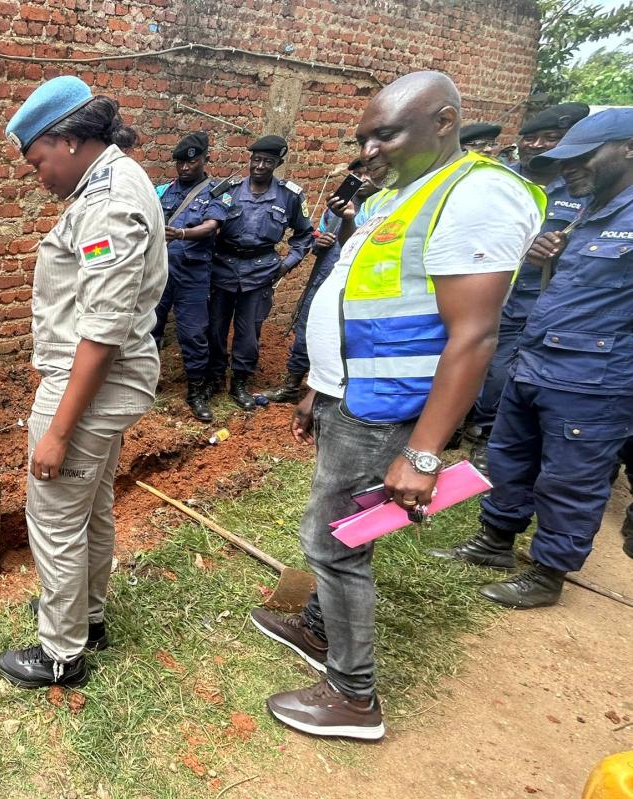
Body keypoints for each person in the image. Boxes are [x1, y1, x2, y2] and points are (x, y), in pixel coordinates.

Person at [247, 72, 542, 740]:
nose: (370, 149)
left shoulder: (476, 195)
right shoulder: (401, 197)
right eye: (364, 137)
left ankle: (353, 697)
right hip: (353, 396)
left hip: (389, 410)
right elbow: (360, 297)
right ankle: (321, 629)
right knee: (340, 530)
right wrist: (319, 386)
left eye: (386, 133)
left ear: (444, 121)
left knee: (334, 542)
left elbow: (474, 335)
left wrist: (422, 451)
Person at [0, 76, 166, 688]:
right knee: (90, 508)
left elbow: (102, 329)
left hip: (85, 384)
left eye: (38, 160)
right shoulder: (120, 180)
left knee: (56, 518)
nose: (37, 174)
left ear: (67, 140)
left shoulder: (105, 206)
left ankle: (60, 652)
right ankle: (87, 618)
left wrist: (58, 432)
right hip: (104, 383)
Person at [435, 109, 633, 608]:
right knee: (508, 458)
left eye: (583, 157)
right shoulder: (591, 209)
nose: (568, 169)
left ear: (628, 149)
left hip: (594, 380)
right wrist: (549, 255)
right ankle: (494, 542)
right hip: (536, 360)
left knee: (571, 478)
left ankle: (548, 573)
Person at [462, 103, 590, 472]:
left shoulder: (581, 188)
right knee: (472, 357)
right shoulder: (501, 179)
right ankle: (465, 420)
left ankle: (488, 437)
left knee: (508, 371)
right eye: (530, 138)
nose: (537, 145)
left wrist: (559, 253)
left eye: (549, 139)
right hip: (488, 289)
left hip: (541, 298)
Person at [208, 135, 315, 410]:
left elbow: (304, 236)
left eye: (267, 161)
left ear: (277, 163)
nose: (259, 166)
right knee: (216, 326)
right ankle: (215, 377)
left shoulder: (289, 196)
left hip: (260, 272)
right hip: (224, 267)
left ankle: (240, 383)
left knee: (248, 331)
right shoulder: (229, 190)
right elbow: (207, 223)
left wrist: (285, 265)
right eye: (256, 160)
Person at [264, 159, 380, 403]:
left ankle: (334, 392)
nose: (362, 180)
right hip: (324, 277)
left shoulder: (381, 209)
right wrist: (320, 243)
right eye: (357, 174)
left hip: (357, 285)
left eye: (368, 174)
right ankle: (292, 385)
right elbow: (316, 238)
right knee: (308, 328)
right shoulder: (336, 207)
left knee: (343, 337)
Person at [153, 131, 230, 422]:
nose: (185, 168)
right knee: (150, 330)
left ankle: (196, 392)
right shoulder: (163, 191)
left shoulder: (216, 191)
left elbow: (211, 226)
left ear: (203, 160)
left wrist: (182, 233)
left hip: (194, 277)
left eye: (191, 162)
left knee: (194, 335)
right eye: (180, 163)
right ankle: (145, 384)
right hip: (160, 273)